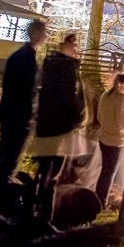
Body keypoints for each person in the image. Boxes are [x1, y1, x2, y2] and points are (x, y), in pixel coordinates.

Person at [0, 20, 47, 223]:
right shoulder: (25, 59)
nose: (47, 35)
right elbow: (25, 92)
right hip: (19, 118)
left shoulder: (23, 57)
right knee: (8, 165)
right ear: (36, 32)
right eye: (45, 32)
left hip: (15, 117)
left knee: (5, 163)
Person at [32, 32, 88, 234]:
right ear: (64, 46)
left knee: (44, 171)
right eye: (74, 46)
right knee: (51, 174)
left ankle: (36, 212)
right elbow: (68, 96)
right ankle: (43, 217)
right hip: (58, 128)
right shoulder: (65, 67)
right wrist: (80, 115)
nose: (77, 50)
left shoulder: (52, 65)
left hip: (48, 126)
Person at [96, 73, 124, 208]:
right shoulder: (120, 98)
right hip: (116, 140)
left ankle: (98, 199)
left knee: (104, 171)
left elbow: (100, 116)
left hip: (104, 137)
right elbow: (122, 120)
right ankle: (101, 202)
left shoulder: (105, 95)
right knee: (109, 173)